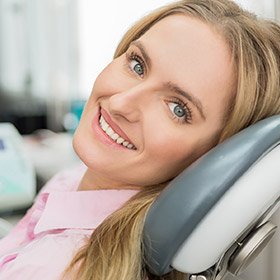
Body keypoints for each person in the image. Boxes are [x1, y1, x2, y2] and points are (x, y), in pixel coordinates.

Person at [0, 0, 280, 279]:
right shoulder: (74, 182)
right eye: (137, 65)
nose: (121, 102)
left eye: (178, 109)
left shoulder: (53, 267)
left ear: (213, 160)